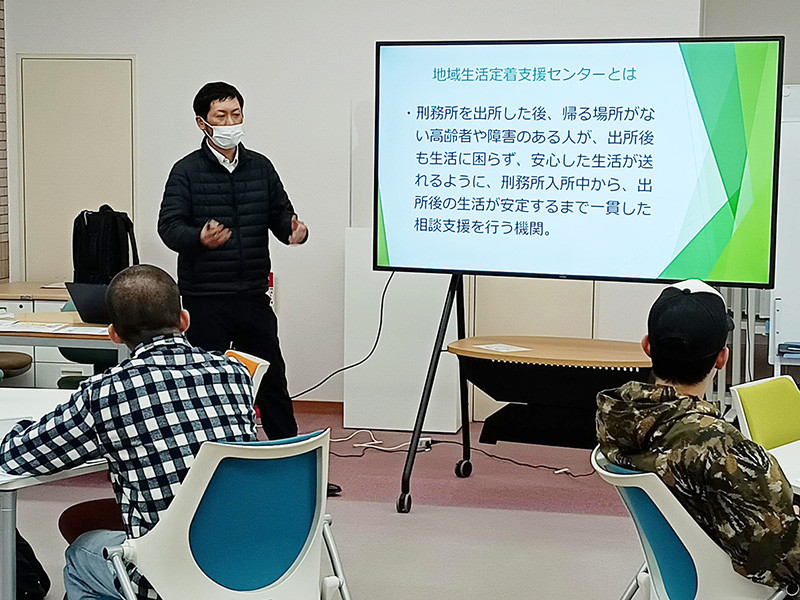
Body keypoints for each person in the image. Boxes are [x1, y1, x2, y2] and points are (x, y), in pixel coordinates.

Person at [0, 264, 257, 600]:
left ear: (114, 335)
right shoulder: (234, 373)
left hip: (165, 576)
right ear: (184, 320)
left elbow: (18, 456)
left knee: (81, 554)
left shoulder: (106, 393)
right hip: (252, 559)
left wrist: (21, 428)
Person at [596, 279, 800, 591]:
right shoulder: (723, 448)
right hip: (736, 586)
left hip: (683, 574)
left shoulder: (616, 417)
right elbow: (784, 556)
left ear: (647, 346)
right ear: (722, 358)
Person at [157, 81, 306, 443]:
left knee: (271, 377)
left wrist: (293, 231)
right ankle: (210, 455)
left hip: (252, 293)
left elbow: (280, 214)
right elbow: (169, 227)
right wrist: (199, 237)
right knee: (207, 384)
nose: (230, 123)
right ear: (202, 123)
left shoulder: (260, 166)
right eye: (220, 116)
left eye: (236, 114)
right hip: (205, 297)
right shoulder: (186, 171)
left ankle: (288, 452)